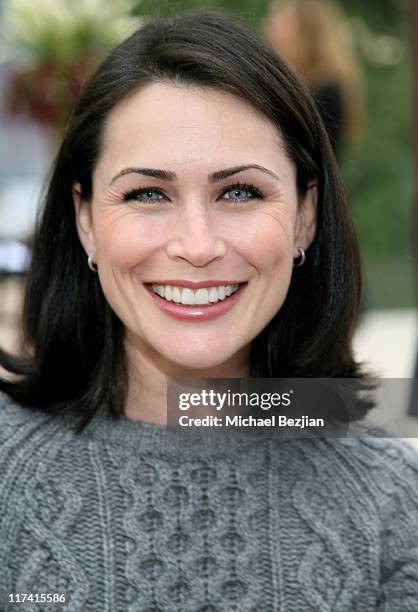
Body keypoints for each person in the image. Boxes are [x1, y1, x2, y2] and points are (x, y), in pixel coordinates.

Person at [0, 10, 417, 612]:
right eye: (148, 194)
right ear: (85, 219)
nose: (197, 245)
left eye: (240, 192)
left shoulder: (389, 501)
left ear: (305, 215)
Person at [263, 0, 363, 158]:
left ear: (307, 28)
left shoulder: (328, 89)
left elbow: (316, 159)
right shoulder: (270, 76)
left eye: (281, 15)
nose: (270, 22)